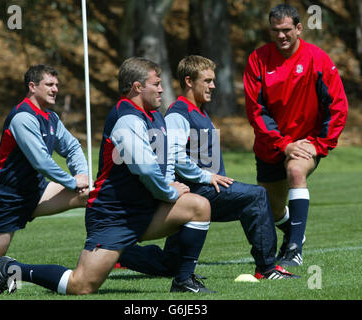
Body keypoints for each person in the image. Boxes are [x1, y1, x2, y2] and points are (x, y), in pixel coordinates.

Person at [0, 57, 215, 295]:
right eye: (156, 84)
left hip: (144, 208)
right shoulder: (127, 118)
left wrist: (168, 182)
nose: (161, 89)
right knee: (81, 286)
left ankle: (183, 280)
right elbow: (145, 168)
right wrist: (169, 192)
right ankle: (13, 269)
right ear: (137, 87)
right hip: (114, 215)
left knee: (199, 206)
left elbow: (163, 161)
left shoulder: (155, 116)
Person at [117, 55, 299, 280]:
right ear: (189, 81)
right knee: (256, 196)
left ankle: (121, 252)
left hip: (203, 188)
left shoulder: (199, 111)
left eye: (213, 80)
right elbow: (174, 155)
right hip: (195, 191)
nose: (213, 85)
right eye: (207, 80)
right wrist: (205, 176)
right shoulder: (177, 114)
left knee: (170, 265)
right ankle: (267, 268)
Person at [243, 4, 348, 266]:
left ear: (299, 28)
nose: (281, 36)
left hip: (306, 144)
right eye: (275, 31)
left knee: (296, 172)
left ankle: (293, 251)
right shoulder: (258, 59)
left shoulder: (318, 59)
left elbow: (338, 106)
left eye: (286, 30)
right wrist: (283, 144)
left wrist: (320, 144)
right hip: (271, 146)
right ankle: (295, 233)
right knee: (273, 209)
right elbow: (256, 110)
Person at [0, 65, 89, 272]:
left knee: (90, 194)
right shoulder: (23, 117)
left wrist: (82, 174)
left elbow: (72, 147)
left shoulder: (51, 118)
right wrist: (71, 182)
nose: (55, 89)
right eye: (49, 84)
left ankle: (110, 253)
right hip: (8, 197)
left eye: (57, 85)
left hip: (37, 191)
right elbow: (41, 162)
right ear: (32, 86)